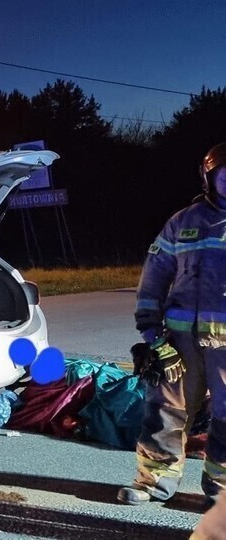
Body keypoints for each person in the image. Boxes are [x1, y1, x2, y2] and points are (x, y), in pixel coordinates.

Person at [119, 142, 226, 506]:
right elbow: (154, 277)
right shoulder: (183, 221)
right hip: (179, 342)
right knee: (166, 412)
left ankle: (221, 496)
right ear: (209, 178)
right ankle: (152, 483)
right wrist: (151, 333)